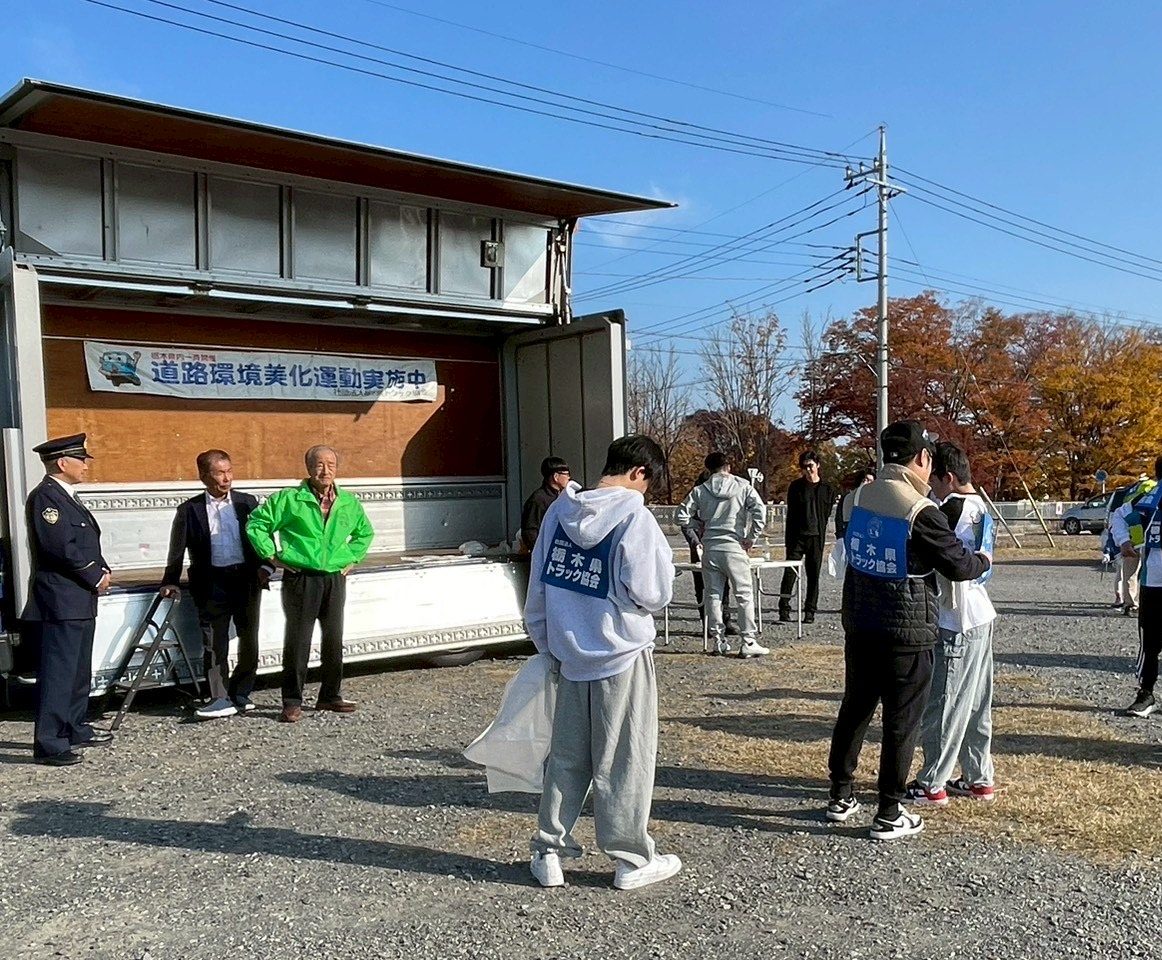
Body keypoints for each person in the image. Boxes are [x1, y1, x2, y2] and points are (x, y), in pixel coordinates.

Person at [525, 435, 681, 891]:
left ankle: (549, 851)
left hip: (568, 653)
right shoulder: (636, 516)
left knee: (568, 757)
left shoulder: (558, 510)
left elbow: (538, 581)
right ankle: (630, 858)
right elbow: (652, 593)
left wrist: (546, 641)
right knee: (625, 759)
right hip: (621, 655)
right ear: (640, 474)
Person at [825, 421, 990, 840]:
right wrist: (984, 559)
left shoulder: (854, 498)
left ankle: (840, 795)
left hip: (860, 621)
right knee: (903, 719)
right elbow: (959, 565)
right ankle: (889, 811)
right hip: (908, 628)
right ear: (921, 458)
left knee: (856, 708)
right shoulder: (920, 511)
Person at [246, 445, 374, 723]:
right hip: (301, 578)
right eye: (319, 464)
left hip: (334, 578)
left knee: (333, 639)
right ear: (308, 468)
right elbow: (257, 523)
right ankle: (292, 701)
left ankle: (330, 695)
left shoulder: (348, 502)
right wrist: (272, 556)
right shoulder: (289, 500)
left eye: (331, 464)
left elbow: (365, 533)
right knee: (298, 640)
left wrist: (351, 558)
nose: (325, 470)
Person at [907, 442, 998, 805]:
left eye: (934, 478)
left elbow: (944, 560)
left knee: (944, 701)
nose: (929, 485)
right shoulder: (981, 509)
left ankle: (932, 782)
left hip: (954, 617)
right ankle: (979, 777)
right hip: (980, 613)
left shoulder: (949, 510)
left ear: (947, 477)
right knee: (976, 703)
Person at [22, 434, 113, 766]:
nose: (86, 465)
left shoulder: (67, 497)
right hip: (61, 598)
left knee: (77, 670)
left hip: (78, 598)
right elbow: (60, 548)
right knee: (59, 673)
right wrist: (94, 574)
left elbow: (83, 543)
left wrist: (102, 569)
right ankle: (50, 743)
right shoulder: (47, 498)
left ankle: (74, 726)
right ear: (63, 463)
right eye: (82, 460)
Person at [161, 449, 263, 720]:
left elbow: (262, 537)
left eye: (229, 471)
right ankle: (219, 697)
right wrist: (170, 580)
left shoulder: (247, 503)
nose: (226, 478)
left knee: (249, 637)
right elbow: (177, 548)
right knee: (214, 641)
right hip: (212, 582)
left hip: (245, 579)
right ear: (204, 476)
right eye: (220, 473)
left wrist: (266, 566)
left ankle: (241, 693)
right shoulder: (189, 509)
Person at [675, 453, 767, 657]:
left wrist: (698, 525)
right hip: (734, 545)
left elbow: (680, 516)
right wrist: (751, 537)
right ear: (729, 465)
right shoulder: (743, 486)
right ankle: (748, 640)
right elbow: (760, 511)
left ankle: (718, 640)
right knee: (743, 595)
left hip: (710, 547)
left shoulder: (700, 490)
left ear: (708, 469)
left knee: (713, 595)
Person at [1110, 456, 1162, 717]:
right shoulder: (1149, 499)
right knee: (1150, 643)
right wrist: (1123, 541)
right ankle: (1146, 693)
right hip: (1153, 583)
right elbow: (1118, 515)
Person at [779, 450, 837, 625]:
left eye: (810, 466)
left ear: (818, 465)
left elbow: (826, 514)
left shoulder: (827, 489)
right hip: (797, 537)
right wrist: (788, 541)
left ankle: (810, 610)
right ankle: (784, 608)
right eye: (804, 467)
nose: (807, 470)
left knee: (813, 575)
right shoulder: (796, 487)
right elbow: (791, 515)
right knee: (789, 573)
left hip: (816, 537)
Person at [676, 469, 733, 637]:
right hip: (700, 549)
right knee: (701, 586)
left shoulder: (720, 498)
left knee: (724, 585)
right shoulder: (694, 497)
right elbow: (685, 523)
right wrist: (696, 543)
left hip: (718, 545)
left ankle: (726, 620)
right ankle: (707, 623)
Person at [1112, 475, 1155, 616]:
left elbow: (1118, 515)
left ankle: (1132, 604)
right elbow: (1119, 515)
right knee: (1131, 573)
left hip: (1138, 540)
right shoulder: (1138, 501)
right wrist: (1124, 541)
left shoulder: (1139, 498)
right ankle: (1131, 604)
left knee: (1132, 573)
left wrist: (1124, 540)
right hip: (1136, 542)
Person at [520, 457, 571, 552]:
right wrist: (542, 551)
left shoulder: (565, 496)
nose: (569, 478)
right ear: (556, 477)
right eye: (566, 474)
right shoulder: (538, 499)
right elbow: (530, 532)